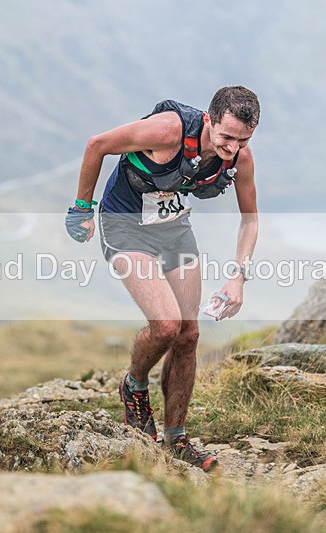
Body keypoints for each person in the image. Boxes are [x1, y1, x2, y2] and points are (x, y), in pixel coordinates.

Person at [65, 86, 259, 471]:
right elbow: (96, 144)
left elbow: (250, 219)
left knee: (188, 334)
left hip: (174, 230)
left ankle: (177, 439)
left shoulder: (240, 158)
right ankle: (134, 386)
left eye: (243, 139)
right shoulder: (168, 130)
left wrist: (238, 277)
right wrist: (82, 207)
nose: (233, 147)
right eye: (226, 137)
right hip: (126, 227)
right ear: (209, 119)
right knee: (166, 325)